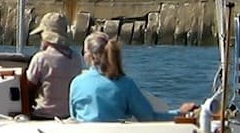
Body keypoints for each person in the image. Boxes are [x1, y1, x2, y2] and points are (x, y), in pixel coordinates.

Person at [69, 31, 199, 122]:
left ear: (90, 56)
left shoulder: (76, 83)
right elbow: (148, 118)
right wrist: (180, 113)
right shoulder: (125, 84)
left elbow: (74, 115)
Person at [24, 12, 81, 119]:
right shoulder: (76, 57)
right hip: (68, 115)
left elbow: (28, 89)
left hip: (42, 114)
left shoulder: (41, 58)